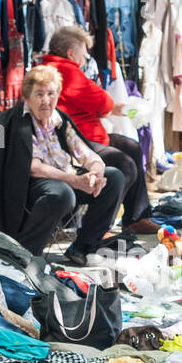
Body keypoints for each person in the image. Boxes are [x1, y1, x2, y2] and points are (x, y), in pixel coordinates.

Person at [0, 65, 125, 264]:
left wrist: (95, 173)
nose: (46, 100)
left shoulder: (60, 119)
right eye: (39, 94)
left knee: (114, 177)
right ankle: (25, 255)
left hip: (67, 178)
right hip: (28, 186)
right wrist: (74, 180)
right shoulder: (4, 122)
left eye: (51, 93)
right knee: (62, 193)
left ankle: (84, 247)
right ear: (27, 96)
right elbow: (32, 167)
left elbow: (87, 153)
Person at [38, 26, 151, 229]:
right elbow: (103, 103)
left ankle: (136, 217)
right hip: (76, 142)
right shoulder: (66, 71)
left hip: (79, 138)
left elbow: (100, 106)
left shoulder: (49, 67)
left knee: (132, 147)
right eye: (83, 53)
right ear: (71, 53)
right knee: (125, 165)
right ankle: (101, 225)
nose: (85, 58)